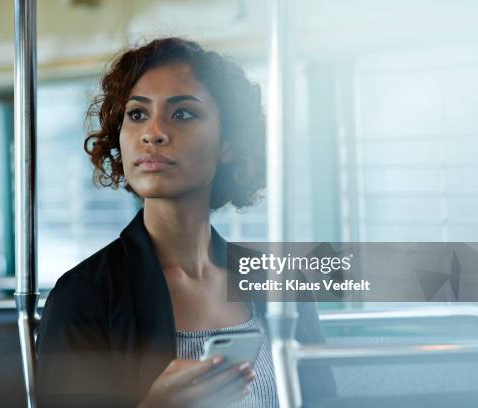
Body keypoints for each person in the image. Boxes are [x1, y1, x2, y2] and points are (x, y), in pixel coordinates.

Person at [36, 38, 336, 407]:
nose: (153, 133)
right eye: (137, 114)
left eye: (182, 114)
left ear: (228, 143)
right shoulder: (84, 297)